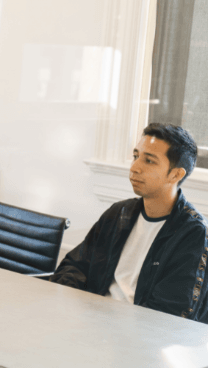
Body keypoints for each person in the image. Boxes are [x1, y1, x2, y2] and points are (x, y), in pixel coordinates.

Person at [51, 123, 208, 322]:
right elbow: (74, 266)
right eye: (136, 157)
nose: (135, 168)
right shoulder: (120, 213)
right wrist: (80, 311)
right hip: (92, 325)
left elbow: (171, 314)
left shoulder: (193, 233)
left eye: (149, 161)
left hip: (138, 341)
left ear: (176, 174)